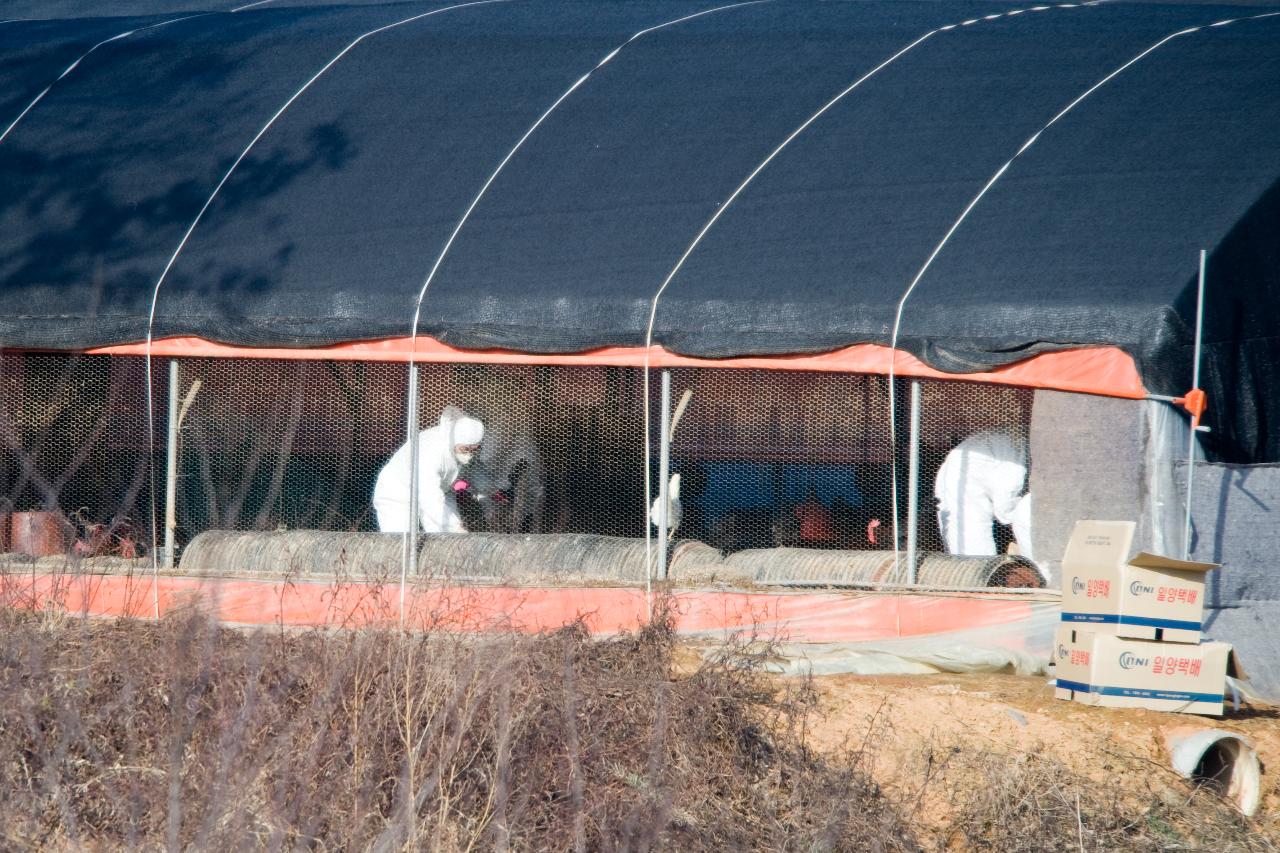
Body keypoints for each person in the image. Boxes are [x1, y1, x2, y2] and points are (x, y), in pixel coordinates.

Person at [373, 406, 484, 534]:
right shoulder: (431, 451)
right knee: (401, 541)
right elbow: (429, 498)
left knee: (446, 541)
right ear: (455, 442)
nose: (470, 454)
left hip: (442, 493)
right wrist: (455, 528)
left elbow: (474, 475)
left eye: (474, 449)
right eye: (465, 449)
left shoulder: (459, 448)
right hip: (397, 493)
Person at [934, 429, 1033, 560]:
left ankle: (976, 574)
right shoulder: (1016, 450)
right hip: (969, 468)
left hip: (960, 465)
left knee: (966, 543)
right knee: (969, 544)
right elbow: (1006, 504)